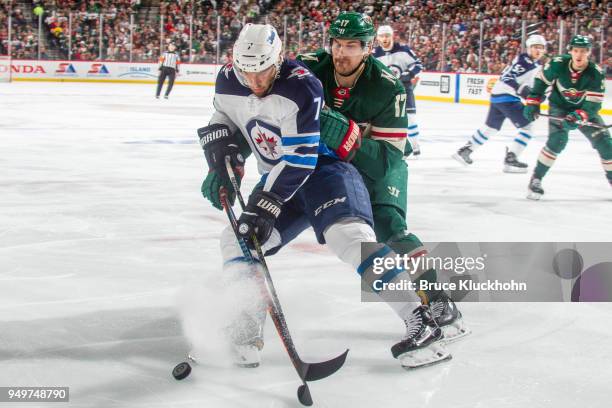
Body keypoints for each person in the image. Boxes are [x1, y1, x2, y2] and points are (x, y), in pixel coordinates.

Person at [199, 23, 450, 369]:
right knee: (236, 240)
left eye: (263, 72)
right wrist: (223, 158)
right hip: (278, 178)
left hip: (326, 173)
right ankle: (246, 322)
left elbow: (301, 160)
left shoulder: (303, 86)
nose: (255, 83)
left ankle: (422, 322)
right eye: (247, 73)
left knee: (349, 237)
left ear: (278, 59)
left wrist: (265, 204)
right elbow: (225, 116)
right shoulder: (228, 80)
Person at [298, 12, 470, 366]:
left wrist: (348, 135)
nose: (341, 53)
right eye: (336, 44)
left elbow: (390, 156)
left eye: (351, 46)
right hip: (332, 166)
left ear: (367, 48)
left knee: (389, 227)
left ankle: (438, 300)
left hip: (380, 165)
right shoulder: (312, 66)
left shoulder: (388, 86)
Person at [524, 35, 610, 199]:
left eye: (583, 51)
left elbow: (594, 104)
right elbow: (541, 82)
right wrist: (533, 101)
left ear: (589, 53)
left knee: (606, 144)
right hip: (560, 107)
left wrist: (580, 115)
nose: (579, 55)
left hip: (584, 110)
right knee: (557, 141)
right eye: (576, 51)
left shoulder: (595, 73)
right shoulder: (557, 63)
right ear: (570, 51)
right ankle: (536, 179)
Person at [453, 34, 547, 172]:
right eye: (535, 47)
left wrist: (536, 98)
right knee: (528, 127)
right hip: (507, 96)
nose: (538, 51)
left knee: (491, 127)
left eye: (541, 48)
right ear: (528, 48)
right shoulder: (524, 61)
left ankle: (465, 151)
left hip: (498, 96)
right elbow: (507, 77)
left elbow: (531, 88)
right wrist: (523, 91)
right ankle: (511, 159)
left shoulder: (534, 64)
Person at [373, 25, 423, 156]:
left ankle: (415, 146)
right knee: (388, 120)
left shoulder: (404, 50)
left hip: (405, 89)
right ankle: (398, 146)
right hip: (386, 93)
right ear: (377, 38)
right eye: (382, 36)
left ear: (392, 36)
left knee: (410, 118)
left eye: (387, 35)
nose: (385, 38)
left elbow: (418, 64)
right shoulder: (374, 55)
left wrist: (407, 75)